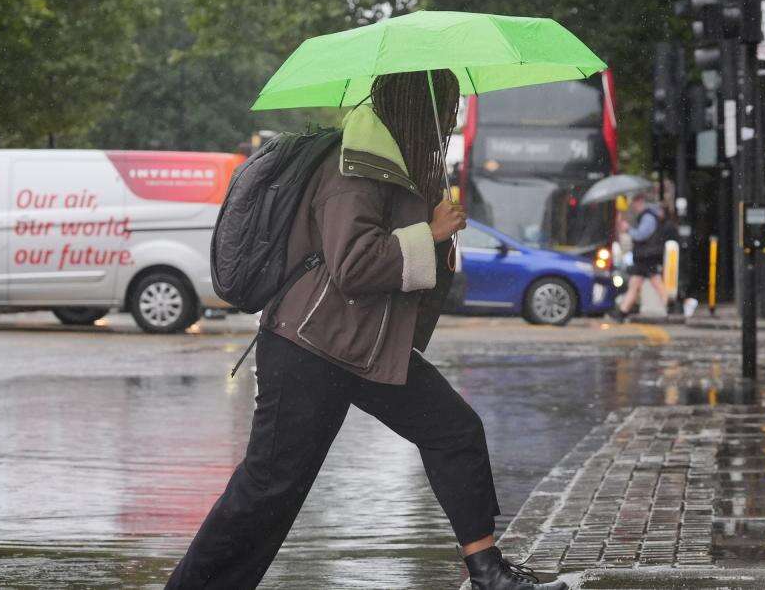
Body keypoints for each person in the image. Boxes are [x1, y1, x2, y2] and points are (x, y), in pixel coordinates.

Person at [166, 70, 566, 590]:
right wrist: (430, 232)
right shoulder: (353, 168)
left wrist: (435, 236)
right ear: (414, 109)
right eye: (443, 107)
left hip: (365, 347)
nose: (449, 119)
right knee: (270, 487)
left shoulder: (395, 166)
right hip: (308, 347)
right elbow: (353, 265)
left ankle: (487, 572)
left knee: (454, 431)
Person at [609, 192, 668, 321]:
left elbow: (641, 235)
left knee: (654, 282)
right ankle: (622, 312)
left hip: (648, 255)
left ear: (640, 201)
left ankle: (668, 306)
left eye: (634, 203)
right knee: (635, 283)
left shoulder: (648, 217)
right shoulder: (646, 216)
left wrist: (628, 229)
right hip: (644, 256)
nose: (633, 206)